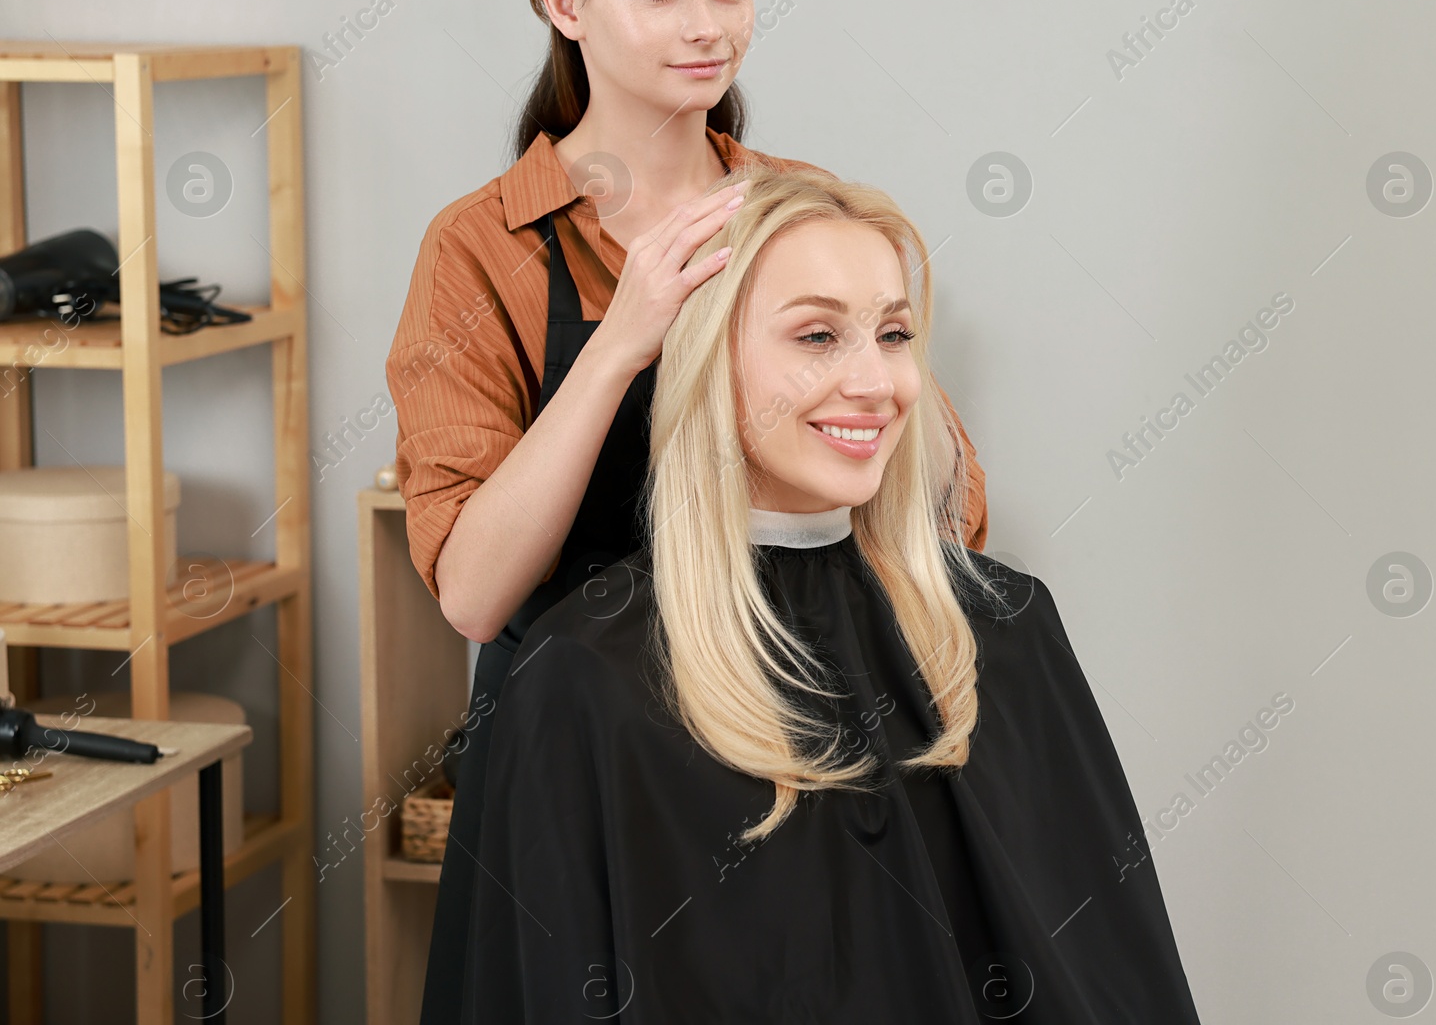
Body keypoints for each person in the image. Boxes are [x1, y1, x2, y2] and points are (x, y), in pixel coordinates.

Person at [385, 0, 991, 1025]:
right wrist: (625, 340)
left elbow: (957, 504)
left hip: (789, 717)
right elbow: (472, 593)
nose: (705, 25)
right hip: (586, 754)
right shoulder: (479, 249)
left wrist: (842, 351)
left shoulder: (793, 211)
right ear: (562, 2)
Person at [465, 164, 1203, 1023]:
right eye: (817, 336)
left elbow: (1112, 977)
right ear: (709, 356)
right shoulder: (589, 680)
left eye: (893, 335)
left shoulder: (1006, 633)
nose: (876, 384)